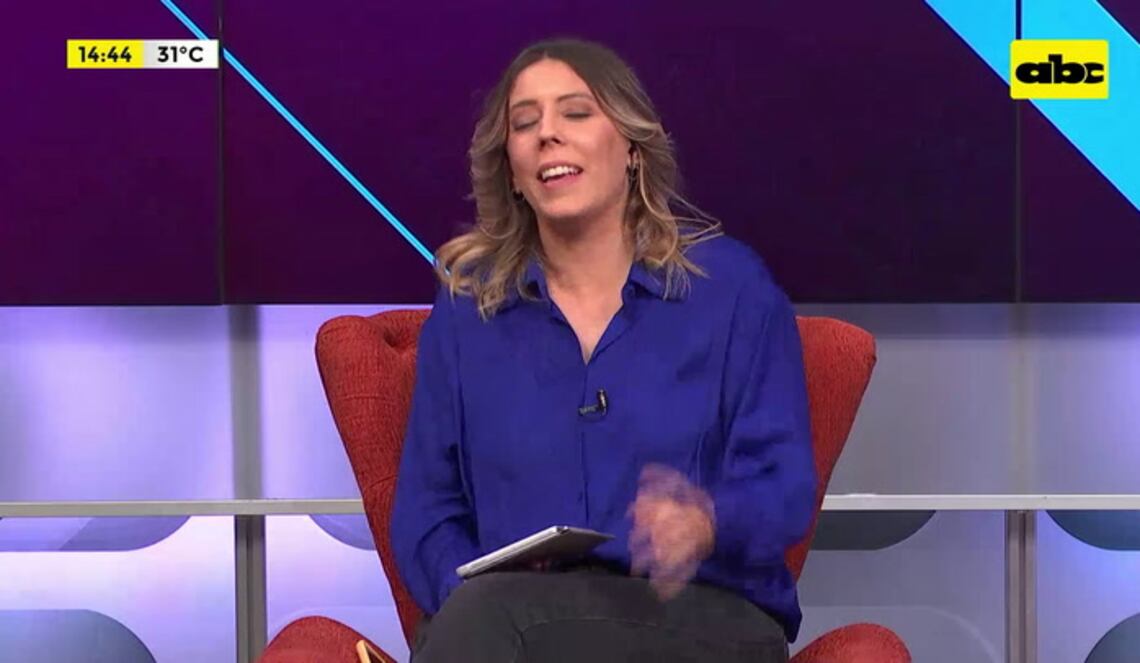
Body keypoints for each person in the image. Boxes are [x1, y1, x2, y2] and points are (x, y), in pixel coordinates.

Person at [390, 37, 817, 663]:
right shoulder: (467, 311)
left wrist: (706, 522)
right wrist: (468, 595)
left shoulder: (730, 290)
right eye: (525, 123)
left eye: (576, 112)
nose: (547, 134)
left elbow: (785, 486)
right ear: (512, 170)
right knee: (486, 621)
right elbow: (426, 513)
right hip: (507, 622)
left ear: (633, 149)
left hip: (699, 617)